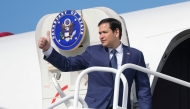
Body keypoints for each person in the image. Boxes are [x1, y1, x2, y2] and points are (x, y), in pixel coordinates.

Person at [38, 18, 152, 109]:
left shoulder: (135, 55)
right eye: (99, 33)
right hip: (95, 106)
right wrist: (48, 49)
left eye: (105, 32)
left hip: (120, 106)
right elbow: (67, 64)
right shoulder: (92, 52)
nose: (101, 36)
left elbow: (143, 89)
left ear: (116, 32)